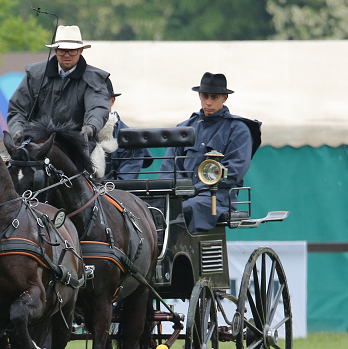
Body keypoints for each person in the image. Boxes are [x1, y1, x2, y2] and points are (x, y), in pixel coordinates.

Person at [160, 72, 261, 232]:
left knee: (189, 208)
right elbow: (168, 168)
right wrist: (182, 189)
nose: (208, 102)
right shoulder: (184, 128)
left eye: (214, 97)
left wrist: (197, 188)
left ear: (224, 98)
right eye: (205, 96)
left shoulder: (238, 129)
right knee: (151, 209)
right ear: (199, 95)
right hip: (181, 196)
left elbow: (234, 171)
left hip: (217, 198)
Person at [7, 25, 110, 175]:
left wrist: (91, 126)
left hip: (77, 146)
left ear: (80, 51)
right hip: (37, 145)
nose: (67, 55)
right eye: (62, 50)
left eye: (72, 50)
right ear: (55, 51)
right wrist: (18, 130)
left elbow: (97, 108)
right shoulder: (35, 75)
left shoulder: (94, 78)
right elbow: (17, 109)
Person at [94, 80, 151, 180]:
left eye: (101, 99)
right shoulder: (74, 134)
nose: (94, 105)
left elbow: (125, 182)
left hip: (111, 193)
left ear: (112, 101)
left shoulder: (130, 139)